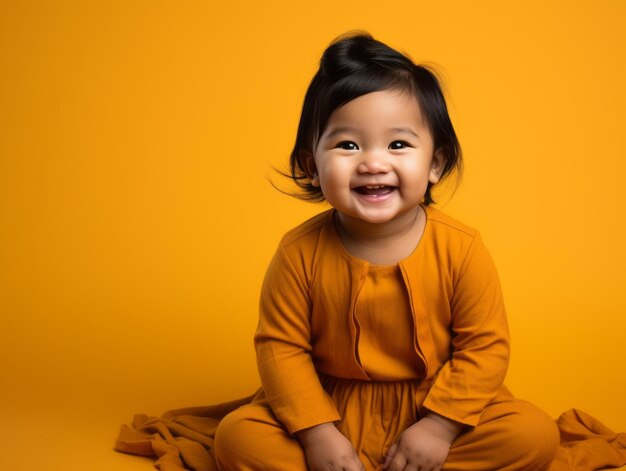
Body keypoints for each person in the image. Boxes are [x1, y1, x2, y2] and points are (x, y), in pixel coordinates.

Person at [212, 31, 561, 471]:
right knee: (238, 438)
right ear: (311, 166)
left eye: (398, 144)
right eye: (347, 145)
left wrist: (439, 427)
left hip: (434, 405)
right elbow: (280, 348)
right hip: (328, 409)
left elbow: (485, 347)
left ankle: (419, 459)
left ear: (435, 163)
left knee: (531, 435)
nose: (373, 162)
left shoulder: (461, 248)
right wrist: (317, 433)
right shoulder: (299, 252)